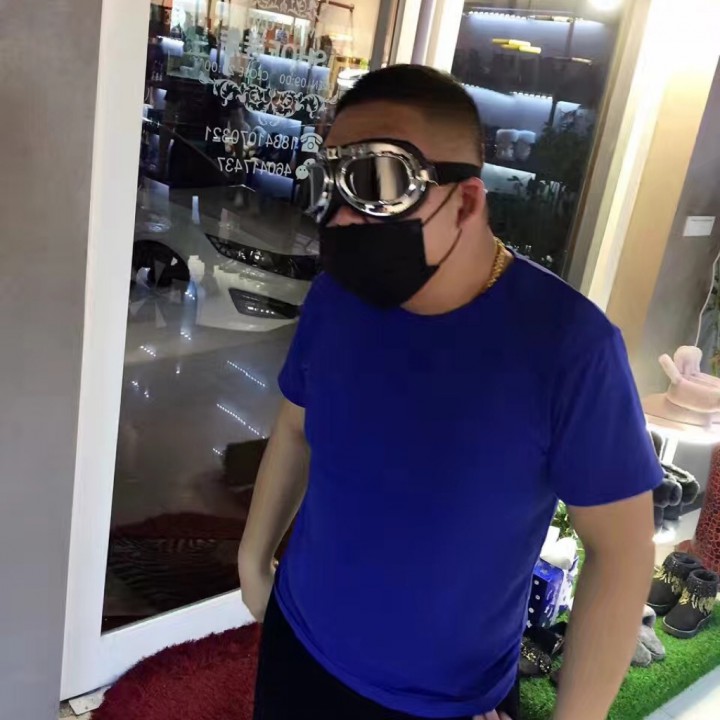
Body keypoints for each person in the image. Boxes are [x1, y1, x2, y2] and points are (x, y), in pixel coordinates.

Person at [238, 65, 662, 720]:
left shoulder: (570, 348)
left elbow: (622, 551)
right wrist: (253, 560)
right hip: (298, 647)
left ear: (465, 201)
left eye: (378, 182)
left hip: (448, 700)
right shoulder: (336, 299)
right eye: (329, 184)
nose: (343, 216)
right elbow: (296, 427)